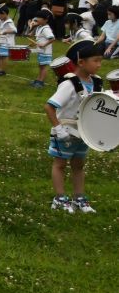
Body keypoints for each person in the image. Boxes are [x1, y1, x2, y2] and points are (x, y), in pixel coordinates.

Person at [45, 40, 105, 213]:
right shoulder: (69, 84)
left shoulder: (97, 83)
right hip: (65, 131)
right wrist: (58, 129)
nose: (99, 65)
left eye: (100, 61)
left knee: (79, 165)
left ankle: (79, 199)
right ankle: (60, 199)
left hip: (84, 132)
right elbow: (49, 106)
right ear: (81, 62)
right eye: (95, 61)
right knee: (60, 164)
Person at [31, 8, 55, 88]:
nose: (37, 19)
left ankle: (41, 82)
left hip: (45, 51)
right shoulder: (39, 27)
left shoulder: (46, 29)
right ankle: (38, 80)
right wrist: (34, 44)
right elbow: (40, 39)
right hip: (41, 51)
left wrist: (44, 44)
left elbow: (52, 39)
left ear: (46, 20)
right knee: (41, 66)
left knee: (43, 67)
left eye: (39, 18)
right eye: (37, 17)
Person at [0, 5, 17, 76]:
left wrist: (5, 32)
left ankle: (2, 71)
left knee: (3, 56)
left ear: (4, 13)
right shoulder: (2, 20)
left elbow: (14, 30)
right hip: (1, 41)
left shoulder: (9, 22)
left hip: (7, 42)